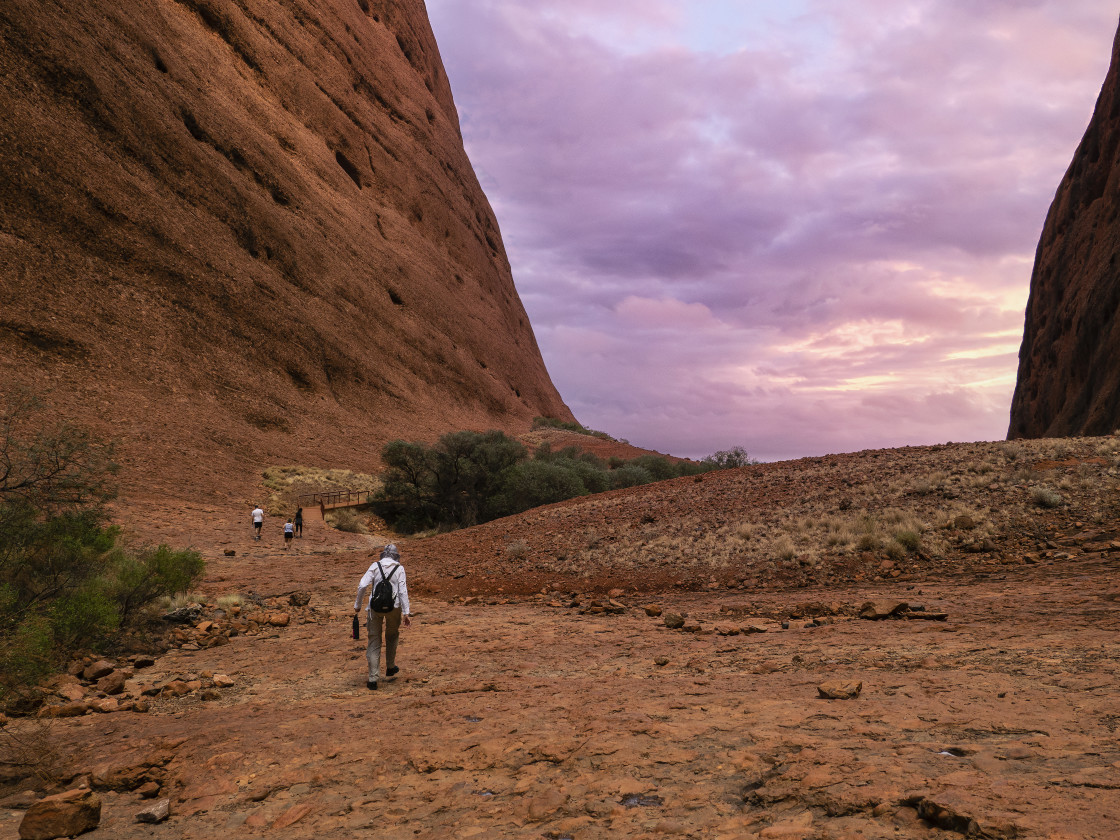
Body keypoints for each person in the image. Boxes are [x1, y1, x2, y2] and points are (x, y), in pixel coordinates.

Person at [353, 544, 411, 690]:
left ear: (384, 555)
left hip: (374, 608)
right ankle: (390, 666)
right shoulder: (400, 568)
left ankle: (373, 679)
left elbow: (362, 585)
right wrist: (406, 612)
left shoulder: (375, 565)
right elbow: (403, 591)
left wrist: (358, 605)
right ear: (395, 556)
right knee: (392, 635)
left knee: (374, 639)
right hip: (394, 607)